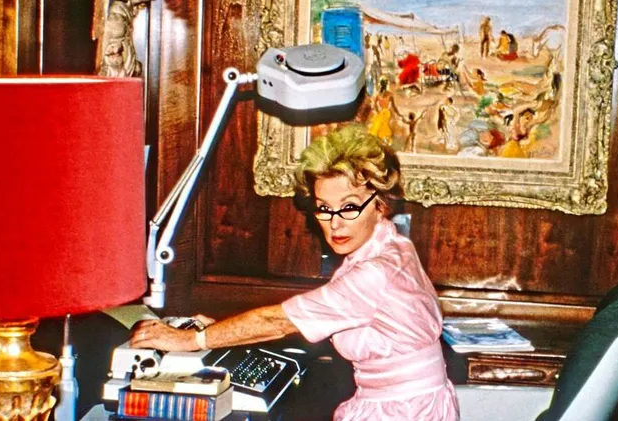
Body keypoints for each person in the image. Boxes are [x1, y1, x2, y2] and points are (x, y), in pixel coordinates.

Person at [130, 125, 460, 421]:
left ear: (380, 204)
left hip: (401, 410)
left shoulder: (374, 273)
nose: (334, 223)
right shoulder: (392, 245)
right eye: (323, 208)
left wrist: (189, 340)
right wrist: (222, 331)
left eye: (349, 206)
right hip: (417, 403)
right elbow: (321, 315)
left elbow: (279, 321)